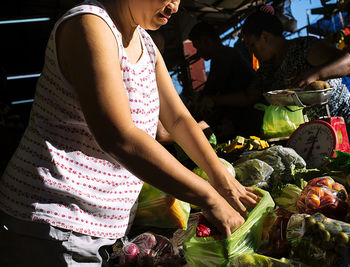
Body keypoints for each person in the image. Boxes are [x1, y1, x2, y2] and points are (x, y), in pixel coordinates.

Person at [0, 0, 261, 266]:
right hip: (57, 223)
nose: (174, 6)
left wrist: (224, 182)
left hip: (102, 230)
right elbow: (119, 136)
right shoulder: (89, 25)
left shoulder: (145, 43)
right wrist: (209, 197)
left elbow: (179, 119)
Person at [240, 7, 350, 157]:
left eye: (252, 45)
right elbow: (249, 97)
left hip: (346, 123)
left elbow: (349, 62)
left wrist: (315, 74)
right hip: (315, 139)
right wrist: (213, 99)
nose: (252, 52)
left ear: (265, 37)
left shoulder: (304, 47)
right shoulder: (267, 69)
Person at [188, 22, 260, 140]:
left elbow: (211, 91)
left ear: (206, 41)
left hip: (248, 118)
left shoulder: (224, 56)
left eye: (198, 47)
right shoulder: (224, 55)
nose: (198, 53)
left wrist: (201, 100)